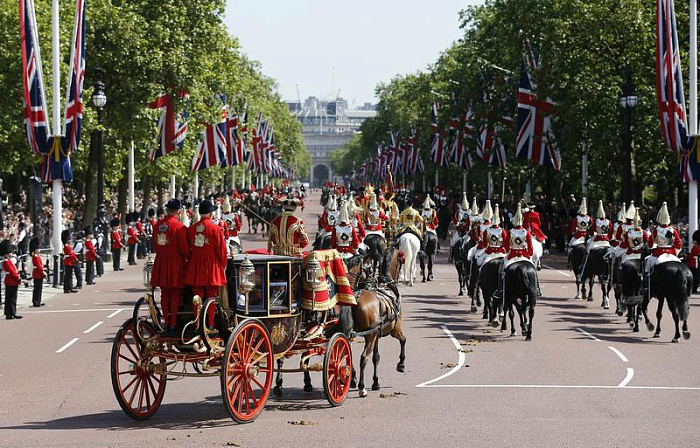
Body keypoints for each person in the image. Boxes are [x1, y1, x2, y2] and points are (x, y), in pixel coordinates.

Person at [184, 200, 227, 326]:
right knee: (211, 295)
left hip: (196, 265)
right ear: (210, 213)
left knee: (196, 295)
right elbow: (222, 251)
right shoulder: (216, 229)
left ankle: (197, 323)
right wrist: (222, 265)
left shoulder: (191, 229)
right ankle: (211, 323)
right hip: (211, 265)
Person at [152, 199, 190, 331]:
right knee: (175, 294)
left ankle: (166, 321)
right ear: (178, 212)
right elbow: (185, 249)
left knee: (164, 293)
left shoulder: (157, 225)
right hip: (175, 263)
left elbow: (155, 246)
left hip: (161, 261)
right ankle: (173, 322)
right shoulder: (179, 227)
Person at [644, 202, 682, 297]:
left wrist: (652, 247)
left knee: (647, 269)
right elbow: (678, 244)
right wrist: (675, 254)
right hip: (671, 254)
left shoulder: (656, 230)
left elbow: (650, 243)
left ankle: (646, 288)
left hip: (658, 254)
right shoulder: (673, 230)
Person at [567, 198, 591, 267]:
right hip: (587, 236)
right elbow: (592, 226)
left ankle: (569, 261)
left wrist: (574, 230)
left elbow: (573, 229)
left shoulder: (577, 218)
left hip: (578, 236)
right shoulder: (589, 218)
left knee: (570, 247)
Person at [2, 240, 22, 319]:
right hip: (11, 281)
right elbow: (12, 271)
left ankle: (10, 313)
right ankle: (11, 313)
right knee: (11, 298)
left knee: (10, 298)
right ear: (7, 253)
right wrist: (18, 278)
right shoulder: (6, 261)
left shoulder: (9, 261)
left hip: (11, 281)